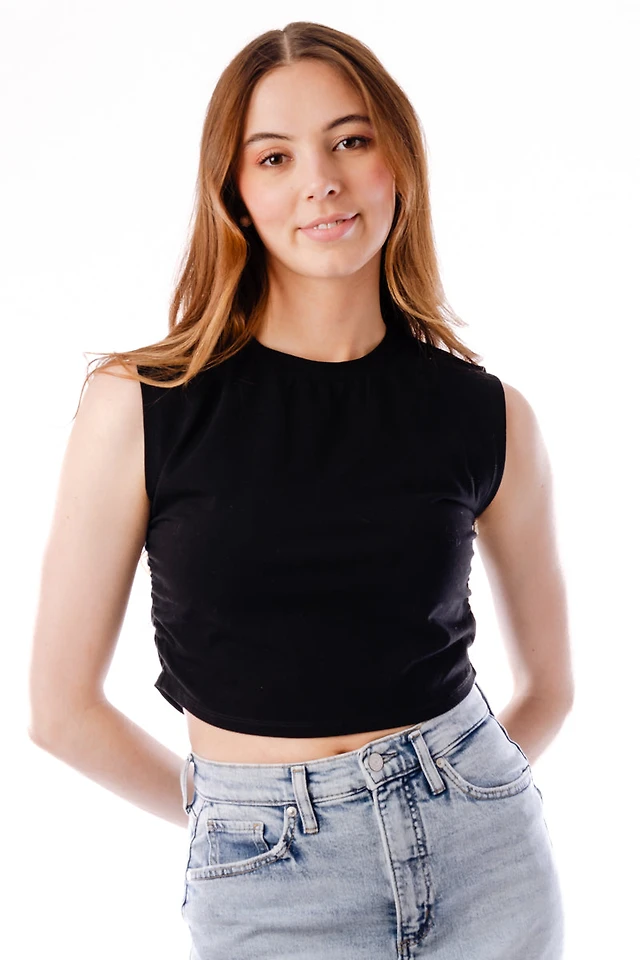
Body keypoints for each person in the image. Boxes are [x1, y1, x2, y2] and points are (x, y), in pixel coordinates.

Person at [27, 20, 574, 960]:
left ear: (398, 162)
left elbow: (551, 689)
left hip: (490, 862)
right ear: (235, 194)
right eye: (275, 156)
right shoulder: (143, 406)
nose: (321, 179)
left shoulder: (488, 414)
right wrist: (245, 822)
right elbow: (61, 713)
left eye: (351, 140)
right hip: (271, 886)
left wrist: (465, 791)